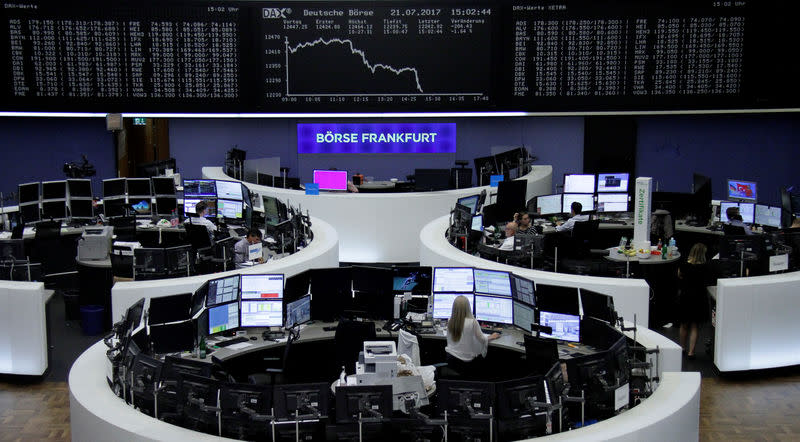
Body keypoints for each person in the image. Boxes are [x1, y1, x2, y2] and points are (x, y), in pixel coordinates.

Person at [445, 295, 500, 375]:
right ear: (468, 307)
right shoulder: (472, 322)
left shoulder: (450, 321)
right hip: (467, 362)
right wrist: (491, 337)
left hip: (451, 359)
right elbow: (482, 339)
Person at [677, 243, 711, 359]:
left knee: (684, 325)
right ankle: (691, 352)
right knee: (695, 326)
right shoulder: (705, 268)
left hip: (686, 298)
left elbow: (679, 276)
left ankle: (682, 347)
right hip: (699, 299)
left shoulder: (684, 266)